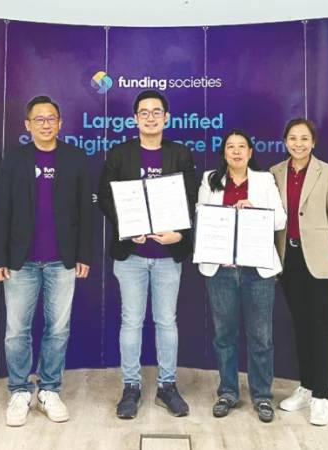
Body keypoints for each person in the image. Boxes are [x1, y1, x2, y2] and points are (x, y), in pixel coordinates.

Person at [0, 95, 93, 427]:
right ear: (27, 125)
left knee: (58, 329)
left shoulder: (76, 159)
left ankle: (49, 389)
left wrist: (83, 255)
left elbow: (86, 213)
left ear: (60, 124)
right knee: (16, 331)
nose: (46, 124)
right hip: (21, 262)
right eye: (39, 119)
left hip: (62, 261)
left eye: (51, 119)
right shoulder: (14, 160)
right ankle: (19, 391)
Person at [98, 90, 197, 419]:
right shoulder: (120, 153)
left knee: (166, 321)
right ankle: (131, 387)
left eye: (157, 112)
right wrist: (129, 228)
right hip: (131, 255)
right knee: (131, 321)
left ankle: (168, 386)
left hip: (168, 255)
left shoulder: (180, 154)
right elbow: (108, 200)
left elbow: (191, 198)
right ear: (135, 118)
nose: (151, 117)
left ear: (167, 118)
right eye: (144, 112)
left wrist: (179, 233)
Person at [197, 129, 286, 423]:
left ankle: (262, 396)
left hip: (256, 271)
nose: (236, 152)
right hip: (221, 271)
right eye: (230, 147)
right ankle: (228, 392)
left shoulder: (264, 180)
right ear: (224, 153)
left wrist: (255, 210)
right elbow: (202, 218)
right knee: (224, 336)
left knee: (261, 336)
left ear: (250, 152)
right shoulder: (210, 180)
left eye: (241, 147)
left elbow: (281, 219)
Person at [270, 118, 328, 427]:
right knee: (300, 325)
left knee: (320, 327)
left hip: (319, 260)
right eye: (292, 138)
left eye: (304, 138)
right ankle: (305, 386)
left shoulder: (327, 173)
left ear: (313, 142)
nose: (298, 143)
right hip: (288, 260)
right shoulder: (275, 173)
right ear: (285, 141)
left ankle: (321, 396)